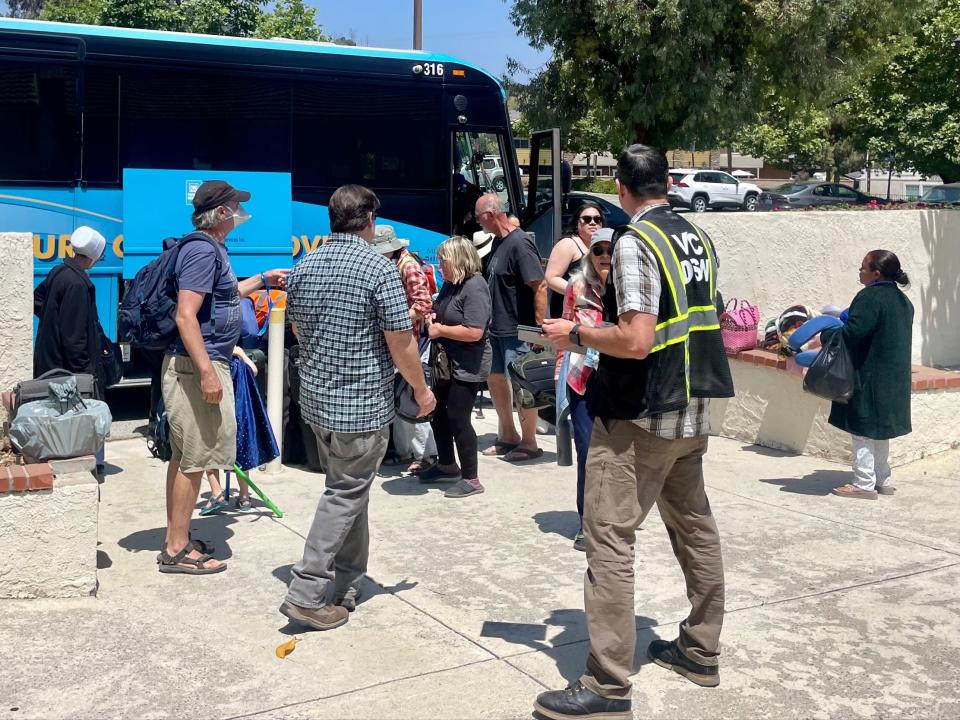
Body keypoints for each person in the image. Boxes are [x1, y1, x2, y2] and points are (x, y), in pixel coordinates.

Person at [537, 145, 735, 719]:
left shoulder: (634, 243)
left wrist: (575, 334)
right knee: (695, 529)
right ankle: (700, 648)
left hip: (640, 417)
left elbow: (636, 339)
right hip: (692, 411)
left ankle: (607, 683)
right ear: (668, 183)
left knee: (609, 539)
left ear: (620, 188)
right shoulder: (695, 236)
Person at [280, 184, 436, 631]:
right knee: (345, 492)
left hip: (317, 404)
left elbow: (297, 328)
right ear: (369, 220)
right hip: (360, 406)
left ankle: (348, 582)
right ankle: (307, 590)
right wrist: (422, 392)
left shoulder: (304, 265)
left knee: (350, 489)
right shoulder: (377, 269)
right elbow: (401, 342)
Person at [158, 180, 288, 575]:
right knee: (195, 460)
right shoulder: (201, 250)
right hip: (199, 366)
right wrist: (206, 373)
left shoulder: (209, 249)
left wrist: (261, 281)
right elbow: (186, 315)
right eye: (235, 206)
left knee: (186, 457)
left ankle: (175, 538)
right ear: (220, 214)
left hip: (202, 362)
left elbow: (223, 295)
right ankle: (177, 550)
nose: (239, 212)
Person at [828, 250, 913, 500]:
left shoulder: (870, 297)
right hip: (893, 378)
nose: (860, 271)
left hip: (870, 375)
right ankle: (883, 478)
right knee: (880, 429)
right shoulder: (903, 301)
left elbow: (852, 333)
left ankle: (863, 482)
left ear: (876, 273)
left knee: (863, 427)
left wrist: (824, 336)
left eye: (863, 267)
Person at [475, 193, 547, 463]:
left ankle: (529, 442)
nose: (478, 222)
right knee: (495, 378)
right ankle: (508, 436)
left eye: (479, 216)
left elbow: (539, 286)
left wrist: (539, 329)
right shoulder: (498, 243)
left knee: (522, 385)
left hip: (518, 329)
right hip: (496, 328)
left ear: (491, 215)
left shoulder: (520, 244)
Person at [420, 236, 492, 498]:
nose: (440, 266)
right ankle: (447, 464)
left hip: (467, 365)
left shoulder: (475, 286)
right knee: (437, 412)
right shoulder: (451, 285)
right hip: (445, 364)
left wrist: (441, 330)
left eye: (444, 261)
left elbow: (475, 331)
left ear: (459, 260)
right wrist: (433, 319)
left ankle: (471, 478)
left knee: (458, 418)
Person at [556, 227, 612, 552]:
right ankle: (587, 524)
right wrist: (559, 378)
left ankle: (611, 520)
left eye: (609, 250)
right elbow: (563, 335)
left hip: (618, 380)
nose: (604, 256)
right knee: (588, 451)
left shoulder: (626, 290)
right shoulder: (576, 287)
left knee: (617, 456)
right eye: (598, 250)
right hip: (581, 378)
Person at [371, 225, 437, 473]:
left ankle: (426, 454)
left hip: (411, 341)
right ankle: (404, 451)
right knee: (402, 396)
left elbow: (423, 304)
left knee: (414, 396)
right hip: (400, 339)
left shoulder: (408, 267)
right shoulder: (393, 265)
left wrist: (393, 321)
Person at [34, 226, 107, 390]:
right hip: (67, 377)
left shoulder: (58, 271)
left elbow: (37, 298)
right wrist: (86, 376)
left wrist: (53, 320)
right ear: (93, 255)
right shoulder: (77, 284)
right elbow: (75, 339)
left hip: (51, 366)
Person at [545, 200, 605, 319]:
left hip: (592, 315)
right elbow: (551, 278)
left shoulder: (602, 248)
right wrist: (580, 293)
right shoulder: (568, 244)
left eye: (597, 219)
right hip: (568, 313)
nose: (593, 223)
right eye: (587, 219)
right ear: (577, 222)